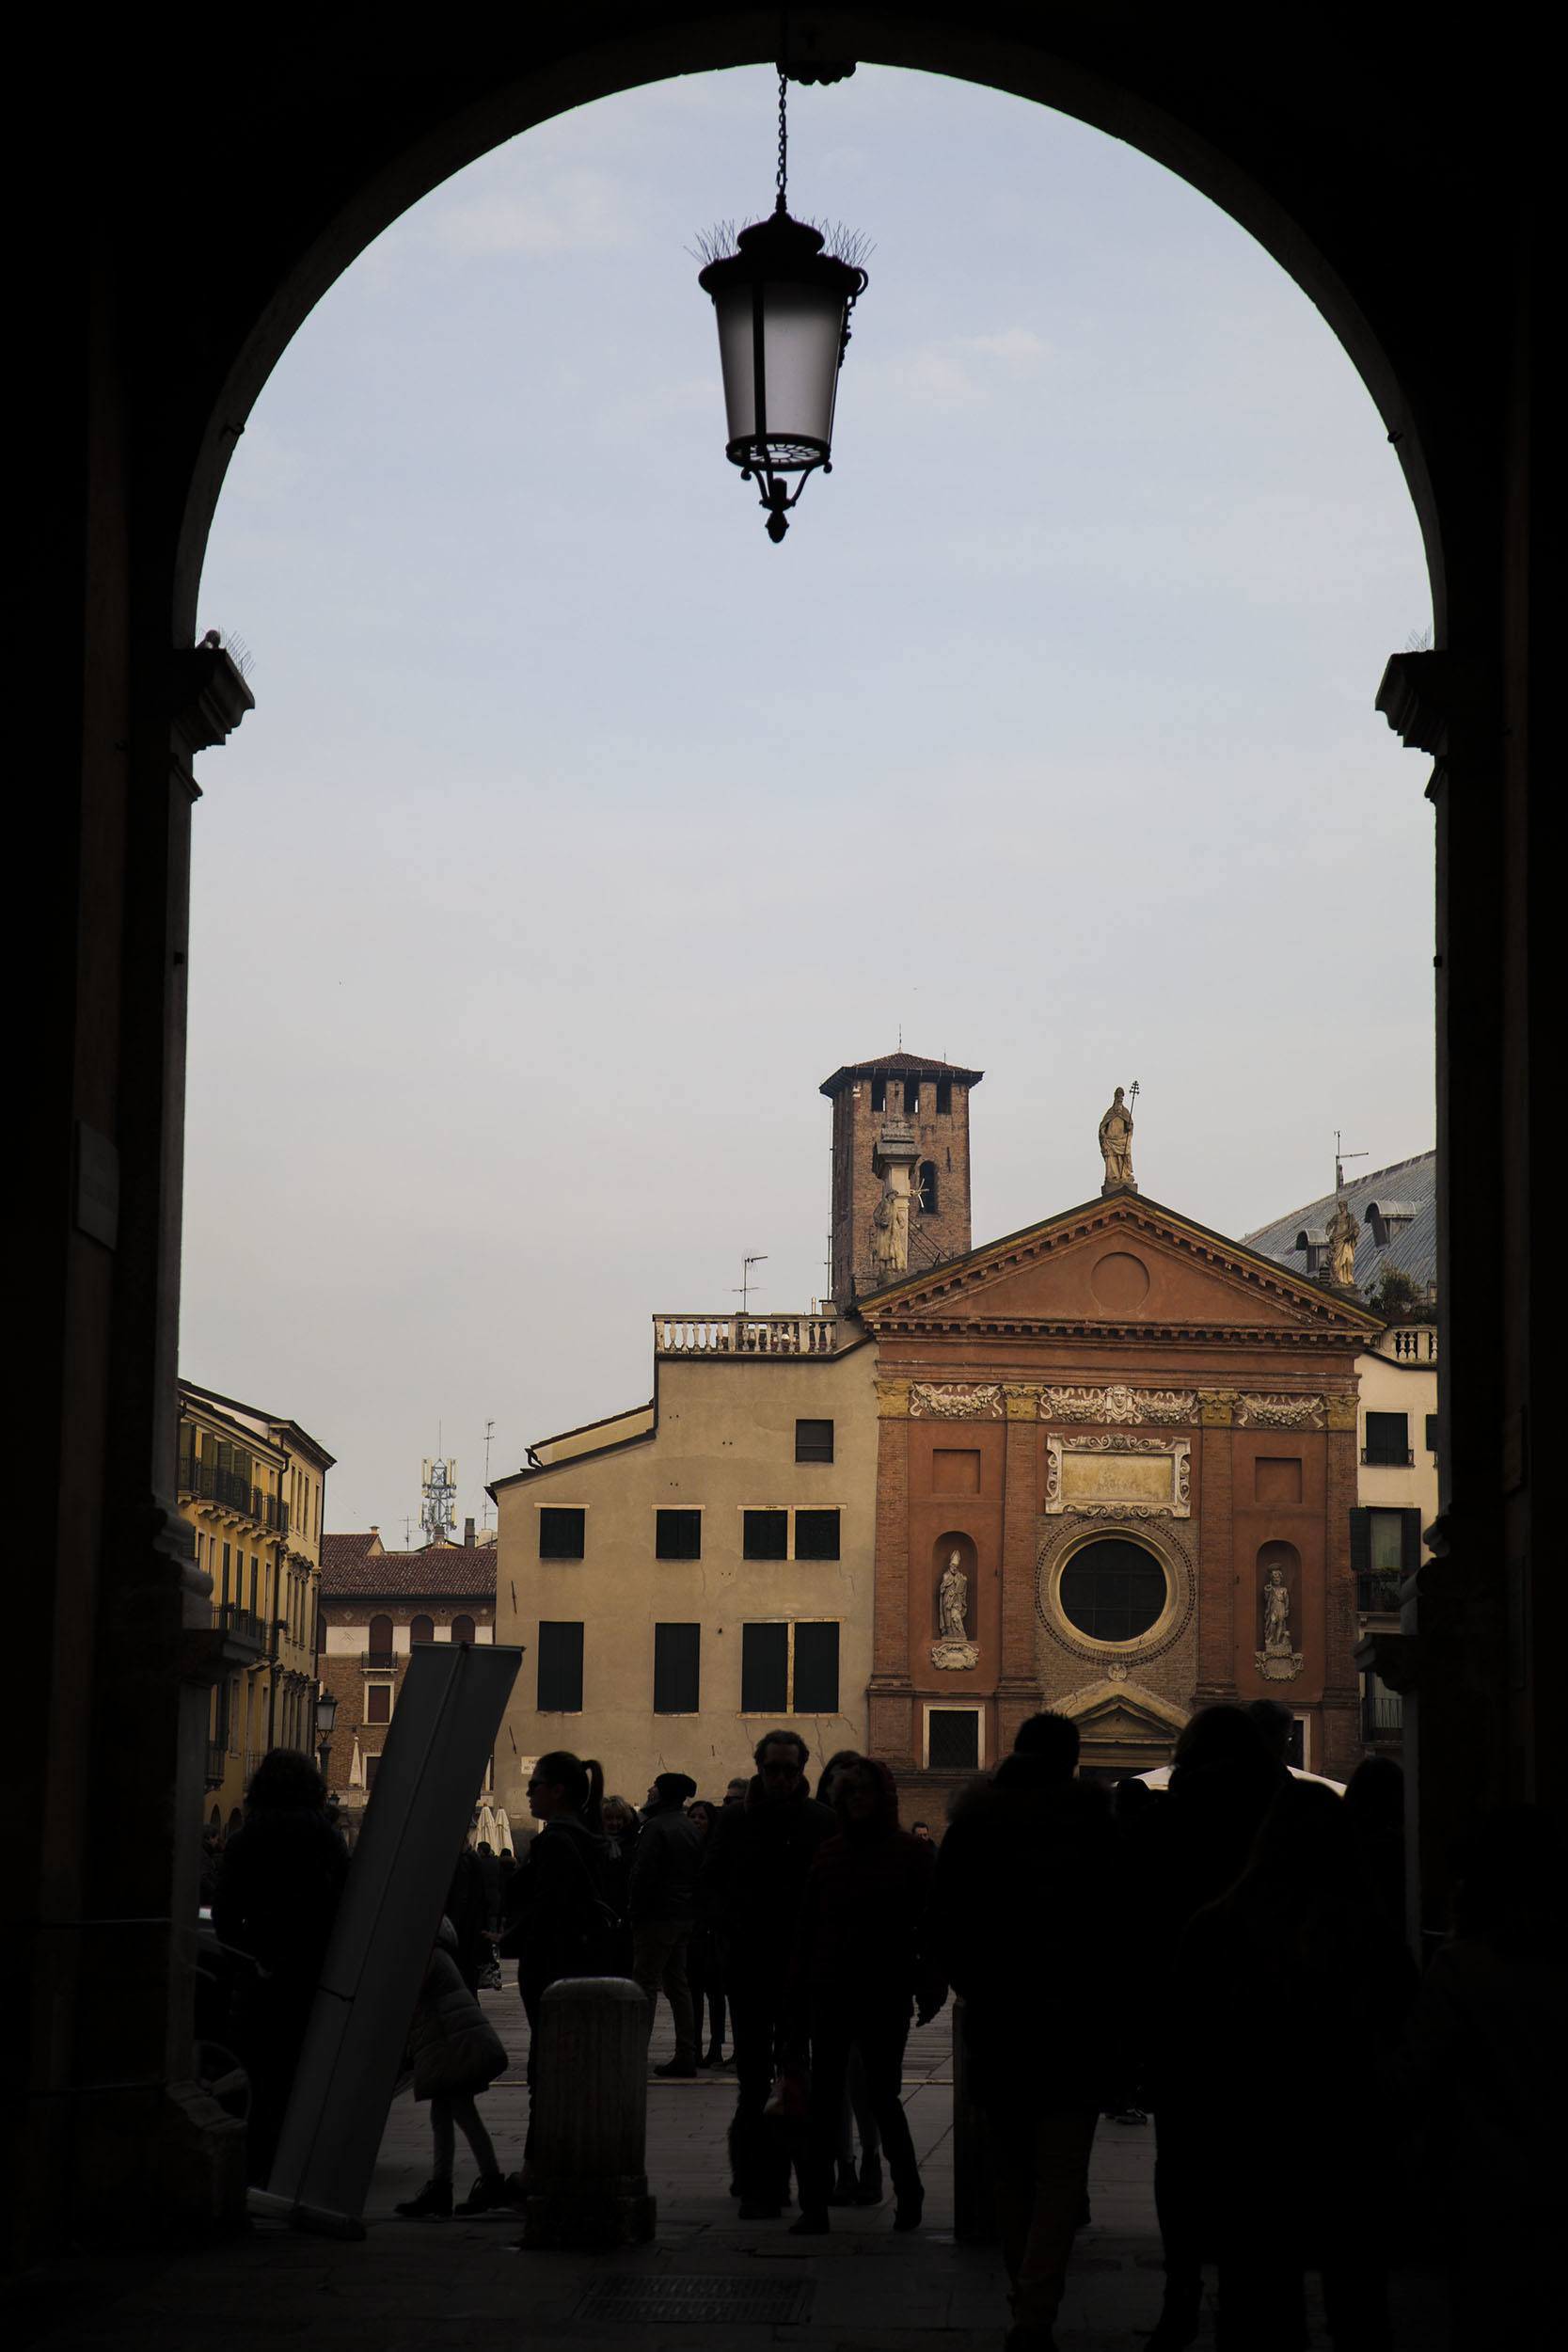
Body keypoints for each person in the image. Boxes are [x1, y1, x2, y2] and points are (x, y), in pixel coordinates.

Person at [1173, 1781, 1414, 2348]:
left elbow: (1186, 2038)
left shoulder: (1215, 1927)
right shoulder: (1371, 1932)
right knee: (1359, 2303)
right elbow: (1405, 2024)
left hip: (1250, 2137)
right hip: (1349, 2134)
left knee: (1256, 2303)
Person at [931, 1711, 1128, 2352]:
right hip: (1076, 2022)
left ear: (1015, 1752)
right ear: (1073, 1760)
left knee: (1011, 2172)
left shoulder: (973, 1824)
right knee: (1061, 2175)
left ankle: (1027, 2296)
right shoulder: (1094, 1823)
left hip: (1001, 2019)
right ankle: (1035, 2309)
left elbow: (947, 1921)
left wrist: (976, 1984)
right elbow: (1118, 1923)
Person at [1130, 1703, 1285, 2350]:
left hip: (1186, 2021)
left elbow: (1142, 1926)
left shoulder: (1172, 1818)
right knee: (1262, 2164)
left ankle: (1182, 2288)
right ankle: (1252, 2299)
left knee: (1181, 2163)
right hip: (1272, 2025)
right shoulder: (1284, 1818)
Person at [790, 1758, 944, 2235]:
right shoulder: (829, 1852)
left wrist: (930, 1982)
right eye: (851, 1794)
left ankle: (909, 2191)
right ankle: (815, 2206)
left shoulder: (910, 1854)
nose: (858, 1801)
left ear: (882, 1799)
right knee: (826, 2098)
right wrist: (798, 1986)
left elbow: (932, 1925)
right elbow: (809, 1925)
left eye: (866, 1793)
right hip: (832, 1986)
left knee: (883, 2097)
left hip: (884, 1987)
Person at [701, 1730, 836, 2217]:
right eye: (772, 1769)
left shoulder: (822, 1821)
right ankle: (762, 2183)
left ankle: (793, 2182)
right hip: (749, 1966)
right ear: (759, 1767)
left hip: (801, 1970)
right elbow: (710, 1883)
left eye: (789, 1770)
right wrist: (728, 1931)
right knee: (755, 2079)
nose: (780, 1778)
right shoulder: (734, 1820)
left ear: (801, 1772)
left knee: (796, 2076)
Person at [212, 1747, 349, 2185]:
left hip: (261, 1973)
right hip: (313, 1973)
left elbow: (225, 1913)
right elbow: (345, 1902)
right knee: (304, 2074)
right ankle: (302, 2169)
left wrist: (250, 1956)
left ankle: (257, 2172)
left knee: (257, 2078)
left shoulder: (247, 1837)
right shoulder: (325, 1837)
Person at [499, 1751, 612, 2110]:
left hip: (552, 1963)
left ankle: (540, 2156)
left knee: (546, 2061)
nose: (529, 1794)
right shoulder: (591, 1838)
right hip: (579, 1960)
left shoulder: (557, 1841)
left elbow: (549, 1906)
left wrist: (510, 1938)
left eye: (535, 1786)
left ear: (558, 1790)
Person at [394, 1915, 513, 2217]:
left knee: (461, 2112)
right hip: (449, 2045)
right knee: (443, 2114)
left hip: (451, 2046)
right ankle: (442, 2184)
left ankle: (489, 2180)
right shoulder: (440, 1954)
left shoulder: (429, 1958)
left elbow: (406, 1993)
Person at [629, 1772, 702, 2076]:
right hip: (683, 1915)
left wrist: (634, 1909)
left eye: (654, 1787)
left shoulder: (655, 1827)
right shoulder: (689, 1827)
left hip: (656, 1916)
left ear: (662, 1794)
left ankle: (635, 2053)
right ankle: (687, 2052)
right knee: (678, 1985)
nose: (649, 1790)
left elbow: (642, 1875)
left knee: (645, 1983)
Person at [686, 1801, 728, 2067]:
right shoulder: (686, 1849)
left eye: (702, 1817)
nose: (697, 1821)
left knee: (715, 1993)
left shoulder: (718, 1851)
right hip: (693, 1928)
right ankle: (694, 2045)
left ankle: (716, 2046)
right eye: (693, 1816)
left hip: (714, 1928)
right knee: (693, 1991)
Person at [599, 1795, 641, 1974]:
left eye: (618, 1818)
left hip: (625, 1914)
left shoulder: (633, 1846)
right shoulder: (594, 1845)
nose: (614, 1823)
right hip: (600, 1914)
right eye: (609, 1818)